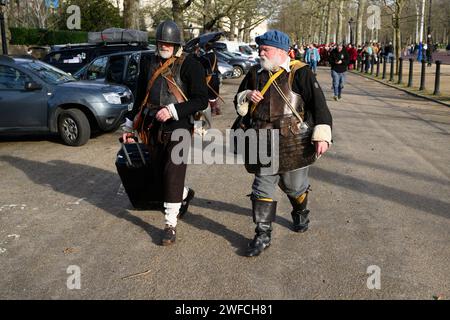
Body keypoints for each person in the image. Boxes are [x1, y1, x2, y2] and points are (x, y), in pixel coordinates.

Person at [233, 30, 333, 257]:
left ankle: (300, 210)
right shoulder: (254, 73)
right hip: (261, 140)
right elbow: (238, 102)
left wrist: (322, 135)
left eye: (265, 49)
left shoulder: (301, 73)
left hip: (293, 142)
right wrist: (247, 95)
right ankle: (262, 235)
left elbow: (319, 106)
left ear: (280, 52)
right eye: (260, 49)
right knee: (261, 187)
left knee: (294, 187)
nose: (260, 53)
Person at [120, 20, 209, 246]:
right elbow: (140, 94)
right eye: (161, 42)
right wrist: (129, 125)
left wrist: (173, 110)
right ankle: (184, 193)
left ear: (176, 43)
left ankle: (170, 225)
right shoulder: (148, 61)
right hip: (151, 126)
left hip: (179, 127)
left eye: (169, 43)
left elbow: (201, 100)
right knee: (160, 176)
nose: (164, 46)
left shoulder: (191, 64)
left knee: (172, 173)